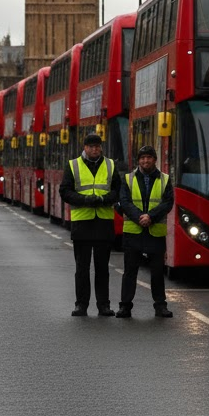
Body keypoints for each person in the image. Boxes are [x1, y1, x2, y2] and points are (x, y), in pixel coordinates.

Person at [60, 133, 121, 317]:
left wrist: (103, 199)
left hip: (103, 223)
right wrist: (85, 200)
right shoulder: (73, 165)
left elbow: (118, 190)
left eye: (97, 146)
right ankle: (81, 305)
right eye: (91, 146)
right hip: (82, 224)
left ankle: (104, 305)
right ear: (85, 148)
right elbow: (65, 191)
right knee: (82, 268)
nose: (95, 149)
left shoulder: (110, 165)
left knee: (103, 268)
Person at [116, 144, 175, 319]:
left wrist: (150, 217)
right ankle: (125, 306)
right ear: (138, 161)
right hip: (133, 231)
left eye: (149, 157)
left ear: (155, 160)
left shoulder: (165, 179)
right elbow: (124, 202)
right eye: (142, 158)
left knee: (157, 272)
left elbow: (168, 202)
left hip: (155, 231)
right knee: (130, 271)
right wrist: (139, 217)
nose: (145, 160)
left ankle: (160, 306)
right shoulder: (128, 178)